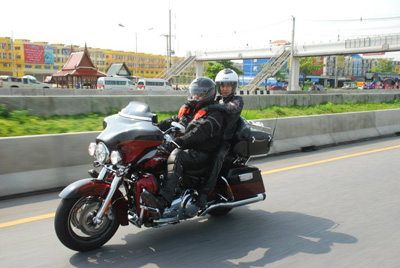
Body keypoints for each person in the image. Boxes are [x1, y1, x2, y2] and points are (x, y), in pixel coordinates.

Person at [141, 77, 224, 218]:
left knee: (177, 156)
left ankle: (163, 201)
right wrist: (151, 129)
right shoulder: (191, 109)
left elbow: (197, 133)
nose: (196, 96)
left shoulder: (215, 114)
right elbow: (172, 121)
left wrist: (177, 142)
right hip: (189, 147)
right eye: (194, 92)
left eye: (200, 94)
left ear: (208, 94)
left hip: (202, 152)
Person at [209, 68, 244, 141]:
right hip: (213, 133)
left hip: (227, 138)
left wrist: (211, 107)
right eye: (222, 86)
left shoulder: (238, 100)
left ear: (233, 86)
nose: (225, 89)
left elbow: (230, 108)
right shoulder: (217, 99)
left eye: (228, 86)